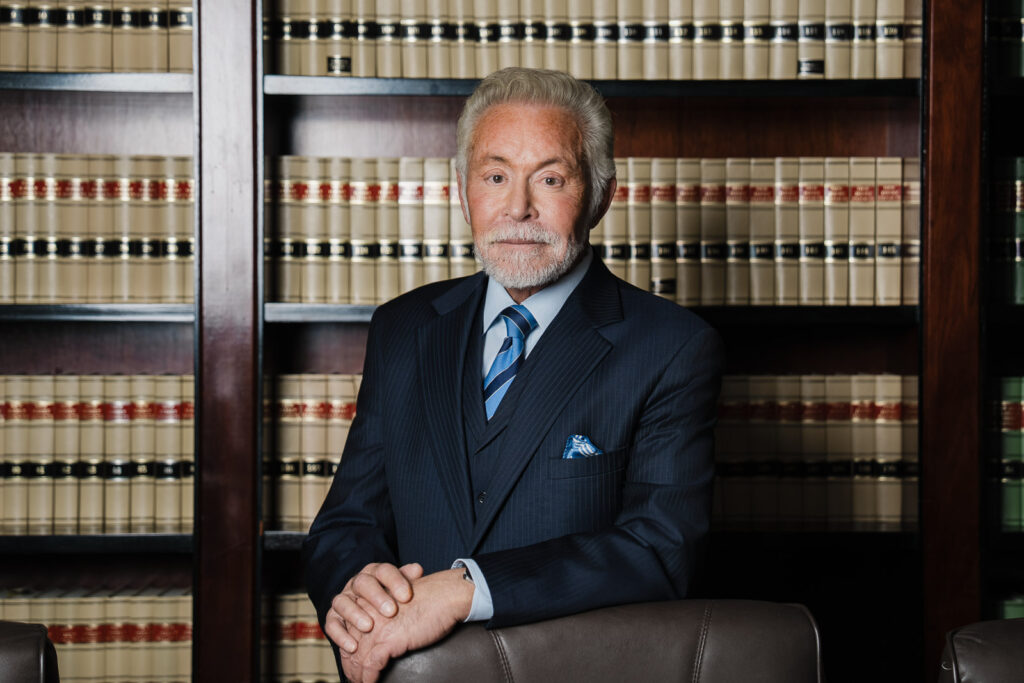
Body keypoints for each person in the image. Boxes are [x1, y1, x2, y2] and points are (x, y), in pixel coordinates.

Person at [302, 67, 724, 683]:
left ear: (601, 196)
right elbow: (348, 523)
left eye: (550, 179)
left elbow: (661, 549)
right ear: (462, 189)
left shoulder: (673, 347)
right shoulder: (403, 327)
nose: (518, 207)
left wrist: (465, 590)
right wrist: (364, 598)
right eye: (495, 176)